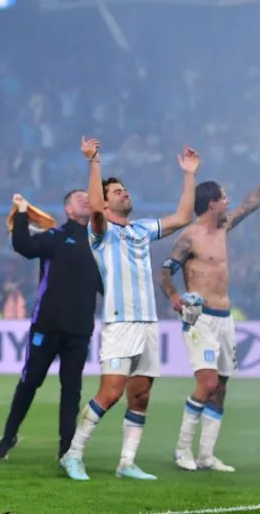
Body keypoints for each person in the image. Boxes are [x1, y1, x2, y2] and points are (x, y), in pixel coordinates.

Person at [59, 138, 200, 482]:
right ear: (105, 204)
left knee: (141, 394)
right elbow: (93, 209)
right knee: (110, 392)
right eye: (116, 191)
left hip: (148, 322)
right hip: (120, 323)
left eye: (124, 189)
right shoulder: (101, 232)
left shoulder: (140, 229)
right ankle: (73, 454)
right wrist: (95, 163)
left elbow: (183, 216)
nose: (124, 193)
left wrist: (190, 175)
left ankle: (126, 462)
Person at [159, 165, 260, 473]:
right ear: (211, 202)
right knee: (206, 383)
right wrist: (174, 297)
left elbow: (251, 203)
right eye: (223, 196)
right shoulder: (189, 237)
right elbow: (166, 270)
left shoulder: (222, 228)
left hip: (224, 318)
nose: (229, 200)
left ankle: (206, 455)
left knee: (220, 387)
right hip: (201, 318)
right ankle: (182, 450)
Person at [0, 191, 101, 461]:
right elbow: (23, 246)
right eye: (79, 197)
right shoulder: (56, 236)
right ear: (68, 209)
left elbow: (106, 286)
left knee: (72, 389)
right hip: (47, 326)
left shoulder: (99, 245)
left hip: (80, 329)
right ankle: (8, 436)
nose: (85, 199)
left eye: (89, 196)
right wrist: (20, 212)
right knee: (30, 382)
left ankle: (66, 449)